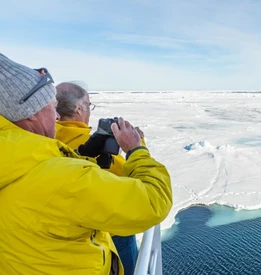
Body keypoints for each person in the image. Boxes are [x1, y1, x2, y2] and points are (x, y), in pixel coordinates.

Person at [0, 53, 172, 274]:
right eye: (52, 108)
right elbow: (153, 201)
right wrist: (137, 150)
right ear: (31, 113)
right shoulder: (63, 179)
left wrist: (85, 154)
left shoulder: (16, 159)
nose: (57, 117)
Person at [55, 82, 142, 275]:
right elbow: (135, 186)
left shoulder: (45, 137)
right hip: (106, 231)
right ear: (78, 109)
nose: (90, 111)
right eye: (88, 105)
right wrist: (137, 147)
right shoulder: (86, 144)